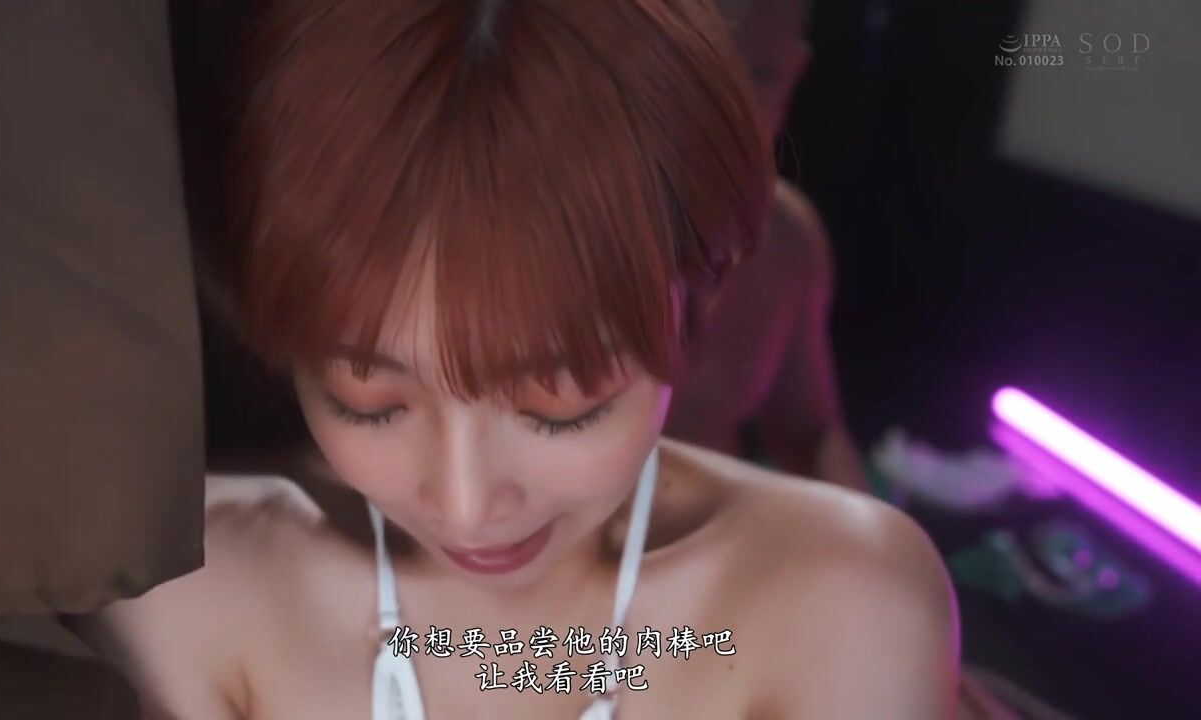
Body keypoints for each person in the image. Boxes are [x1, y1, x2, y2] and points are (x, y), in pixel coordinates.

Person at [73, 1, 959, 718]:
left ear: (699, 300)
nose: (466, 507)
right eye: (368, 399)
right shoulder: (187, 593)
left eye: (561, 405)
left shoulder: (844, 604)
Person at [666, 0, 869, 492]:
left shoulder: (785, 240)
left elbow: (809, 434)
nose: (726, 113)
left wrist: (868, 523)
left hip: (707, 530)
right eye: (696, 74)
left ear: (794, 74)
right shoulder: (535, 226)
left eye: (759, 78)